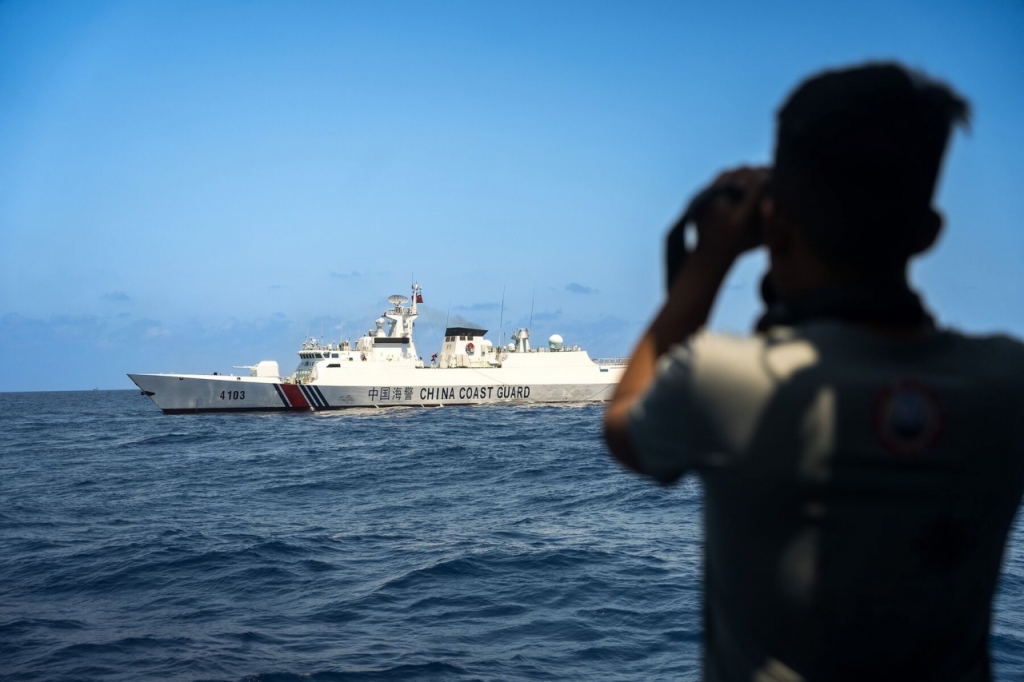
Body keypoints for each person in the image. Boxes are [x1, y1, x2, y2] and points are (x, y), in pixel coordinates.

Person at [603, 63, 1024, 681]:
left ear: (774, 221)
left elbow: (623, 426)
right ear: (929, 233)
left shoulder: (723, 376)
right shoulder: (1007, 384)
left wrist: (707, 261)